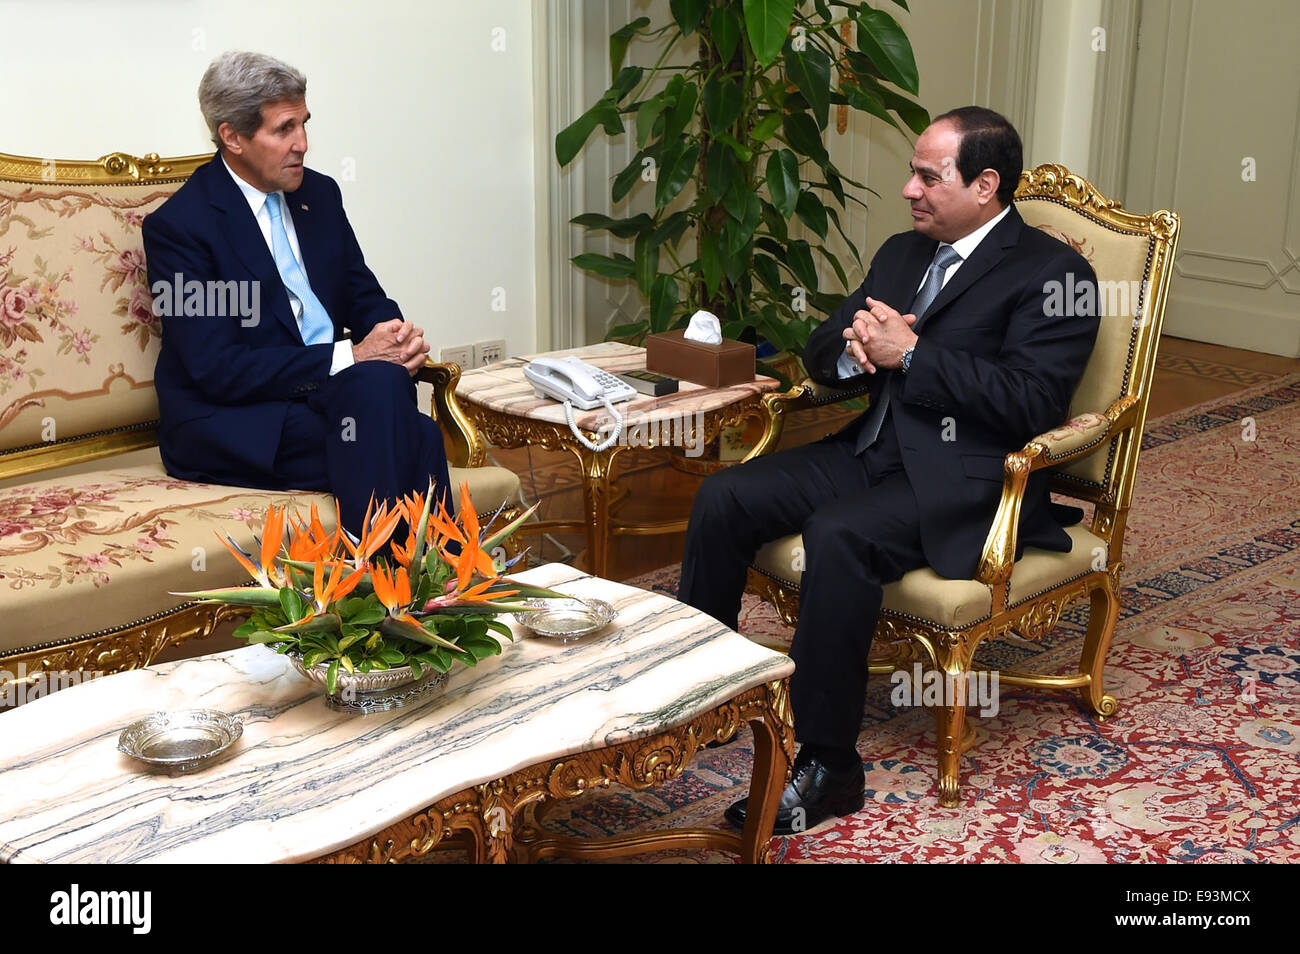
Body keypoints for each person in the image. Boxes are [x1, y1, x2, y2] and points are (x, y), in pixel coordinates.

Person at [678, 107, 1099, 833]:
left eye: (928, 176)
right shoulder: (907, 254)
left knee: (839, 535)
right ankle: (701, 696)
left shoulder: (1056, 275)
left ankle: (830, 766)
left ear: (986, 185)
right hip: (871, 451)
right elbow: (821, 349)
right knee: (726, 497)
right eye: (913, 172)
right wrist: (853, 353)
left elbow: (1032, 403)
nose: (909, 189)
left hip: (969, 481)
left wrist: (914, 356)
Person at [144, 51, 449, 533]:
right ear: (232, 136)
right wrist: (352, 357)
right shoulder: (182, 228)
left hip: (332, 397)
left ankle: (386, 592)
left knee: (384, 395)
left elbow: (361, 291)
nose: (303, 144)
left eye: (304, 124)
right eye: (284, 129)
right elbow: (217, 368)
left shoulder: (319, 196)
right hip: (240, 418)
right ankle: (427, 592)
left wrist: (392, 335)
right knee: (415, 435)